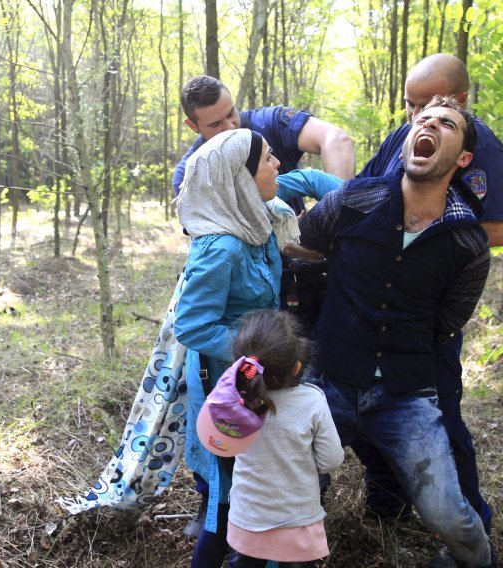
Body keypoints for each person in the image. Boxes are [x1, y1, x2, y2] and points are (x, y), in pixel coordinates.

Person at [298, 96, 495, 567]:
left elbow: (448, 323)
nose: (428, 124)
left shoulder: (468, 244)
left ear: (463, 158)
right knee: (291, 487)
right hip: (329, 382)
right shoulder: (352, 200)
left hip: (407, 397)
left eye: (445, 123)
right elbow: (303, 246)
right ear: (408, 138)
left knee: (449, 515)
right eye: (422, 119)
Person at [356, 53, 500, 537]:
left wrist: (433, 228)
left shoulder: (484, 153)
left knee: (438, 408)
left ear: (457, 101)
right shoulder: (405, 134)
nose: (416, 117)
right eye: (410, 106)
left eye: (427, 106)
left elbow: (497, 225)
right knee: (360, 398)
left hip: (427, 305)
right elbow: (365, 188)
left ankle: (471, 520)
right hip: (372, 300)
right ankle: (389, 493)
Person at [174, 128, 306, 566]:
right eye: (268, 159)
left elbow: (312, 183)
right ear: (241, 177)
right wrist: (256, 351)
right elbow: (192, 325)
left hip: (253, 373)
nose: (278, 165)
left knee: (253, 479)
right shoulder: (221, 246)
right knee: (226, 491)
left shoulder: (258, 223)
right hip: (226, 380)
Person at [196, 310, 343, 568]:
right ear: (297, 367)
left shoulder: (233, 402)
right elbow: (331, 460)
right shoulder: (312, 402)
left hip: (246, 520)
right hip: (298, 520)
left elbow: (221, 446)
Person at [172, 75, 355, 203]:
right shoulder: (189, 176)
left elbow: (336, 139)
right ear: (193, 126)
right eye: (216, 124)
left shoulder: (269, 122)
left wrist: (334, 213)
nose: (230, 127)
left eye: (231, 113)